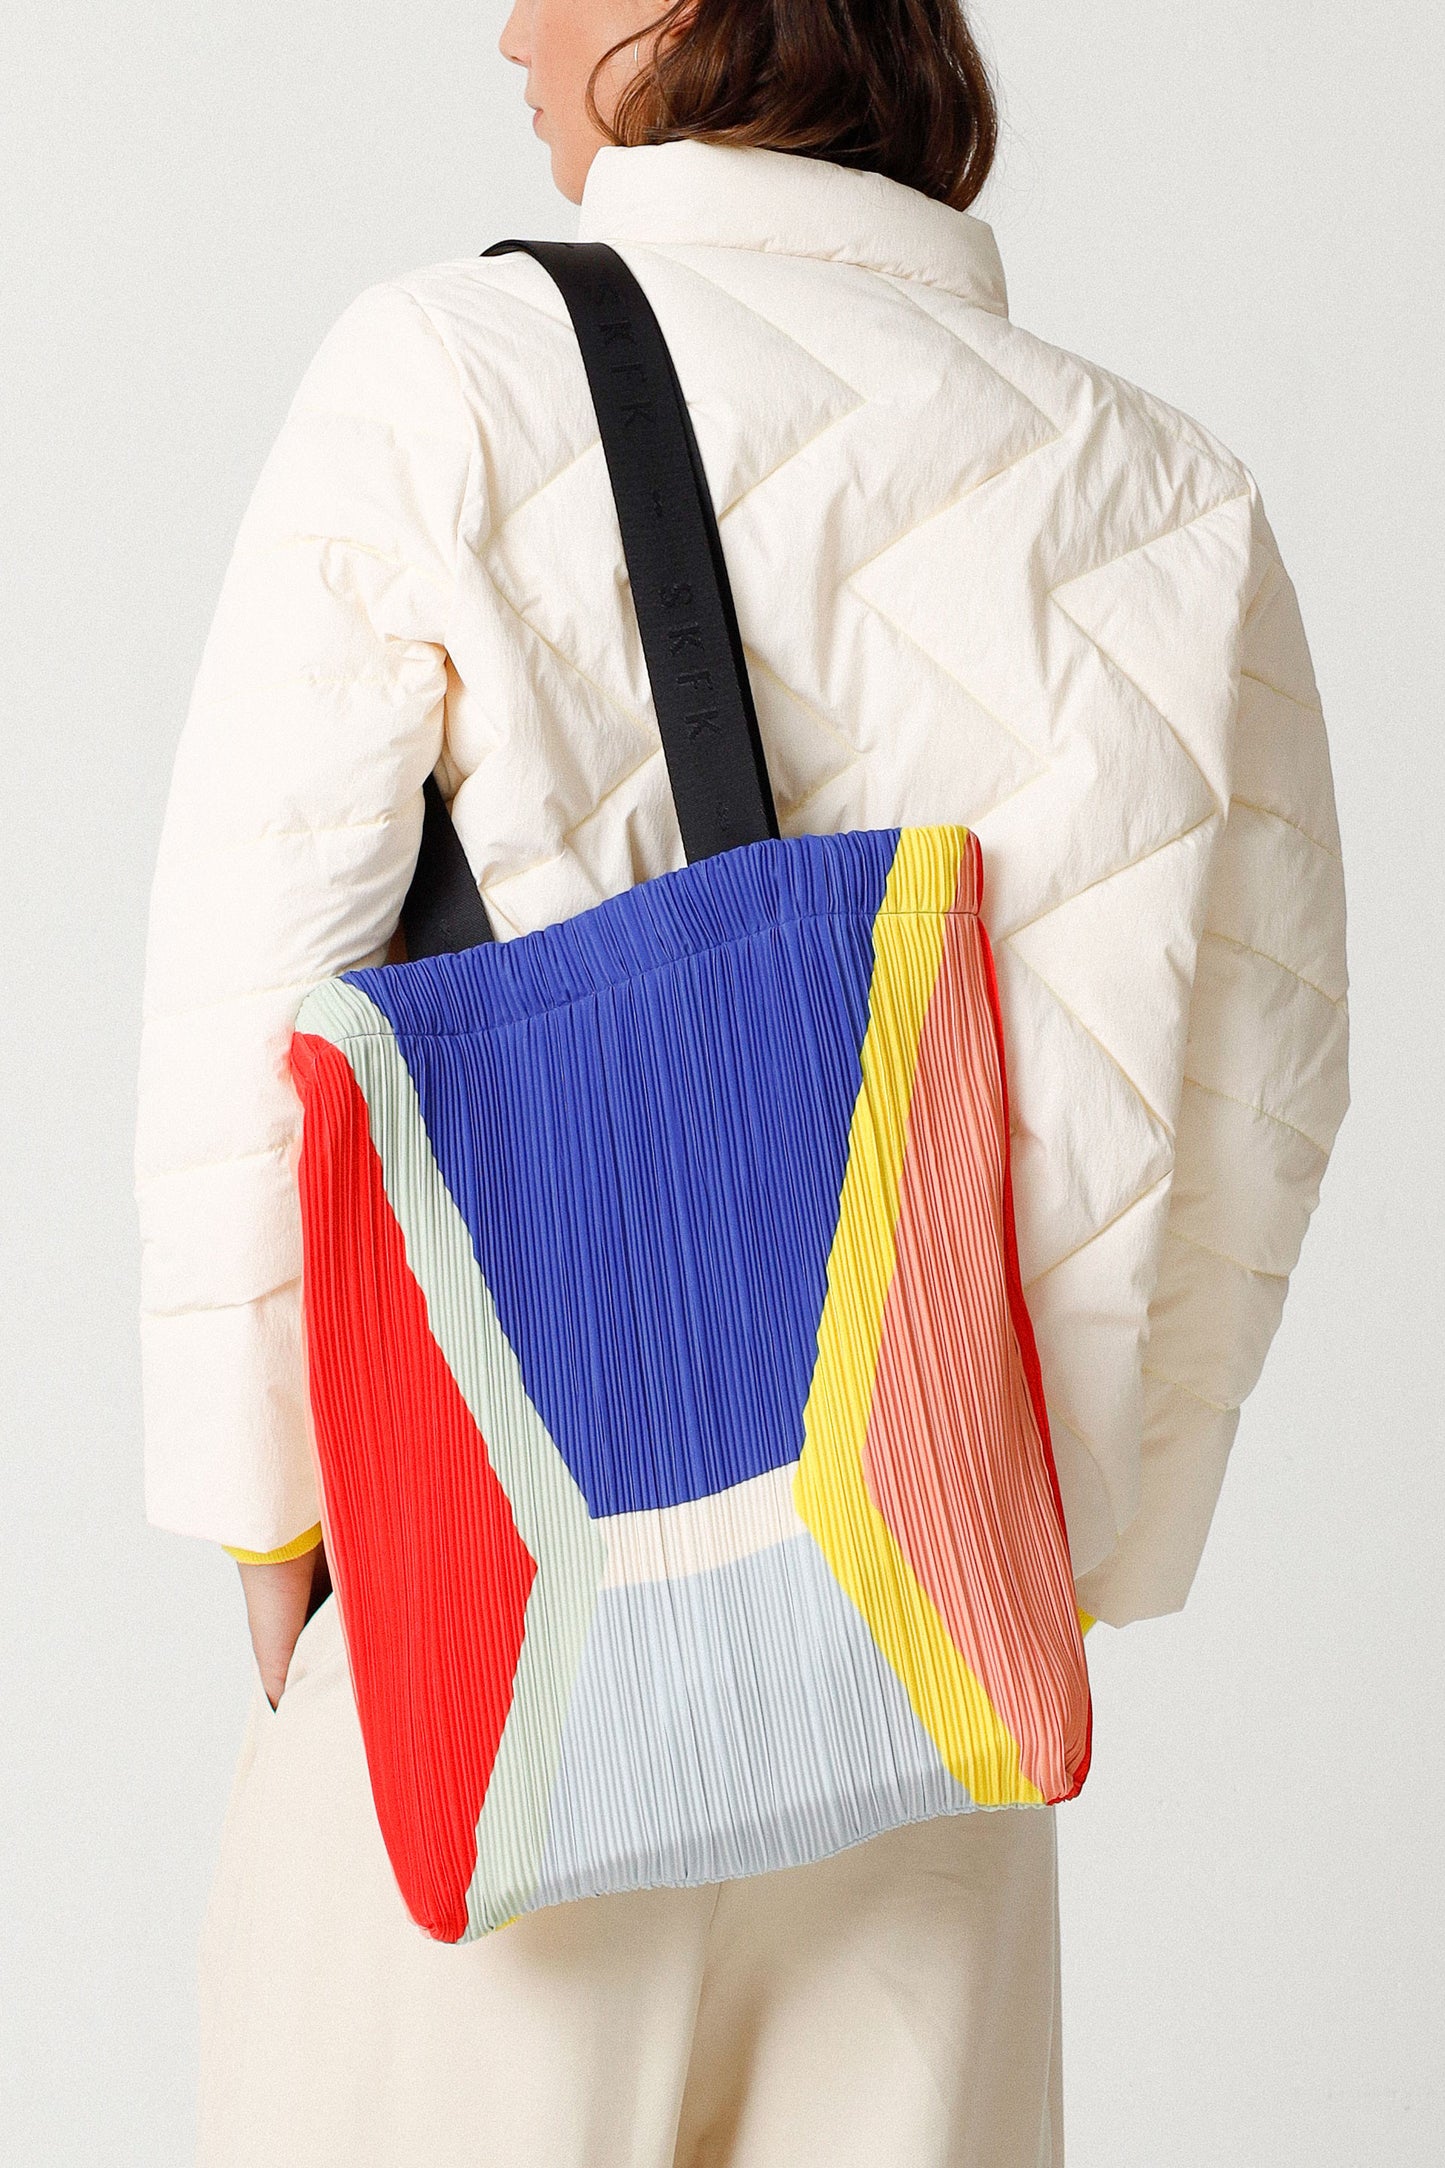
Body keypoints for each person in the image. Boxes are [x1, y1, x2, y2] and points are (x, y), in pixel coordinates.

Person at [135, 2, 1349, 2162]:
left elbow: (254, 980)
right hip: (925, 1690)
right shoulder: (1171, 496)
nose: (508, 28)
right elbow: (1264, 1084)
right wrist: (1065, 1554)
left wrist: (278, 1522)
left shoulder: (448, 375)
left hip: (498, 1642)